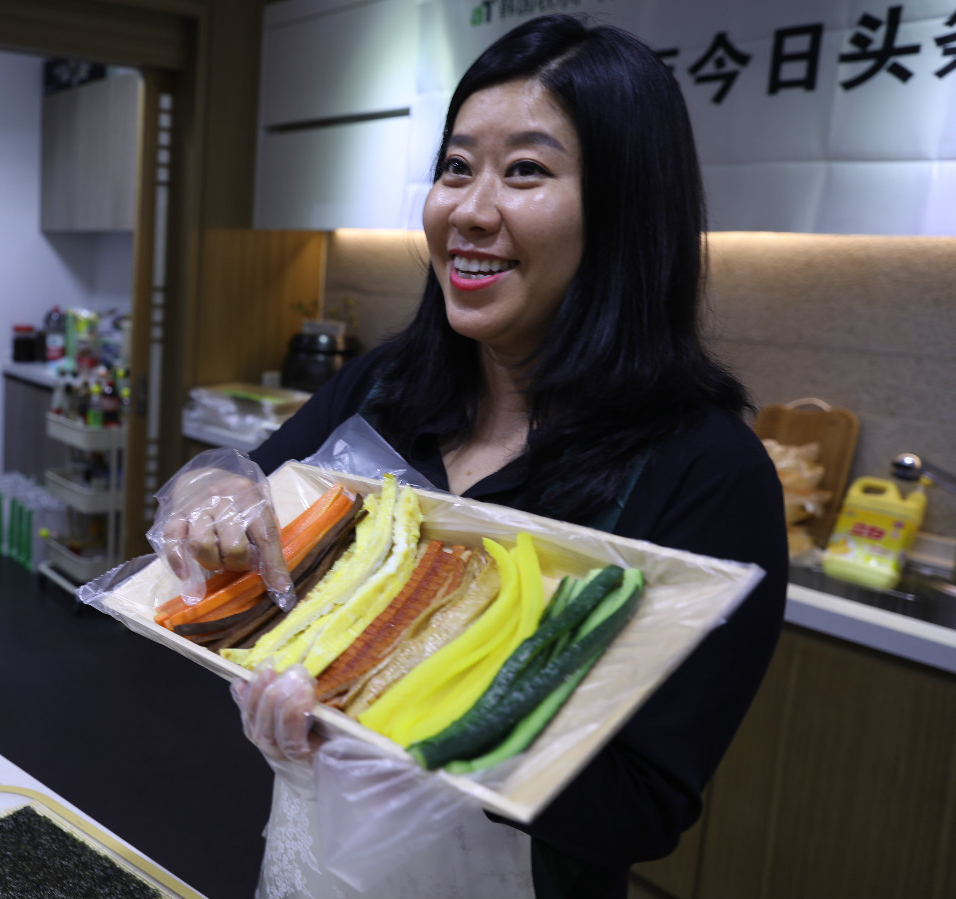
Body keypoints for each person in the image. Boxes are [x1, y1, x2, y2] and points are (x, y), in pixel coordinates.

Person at [159, 15, 787, 899]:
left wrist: (403, 700)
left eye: (525, 170)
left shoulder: (710, 472)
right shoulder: (387, 383)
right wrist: (215, 485)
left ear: (625, 209)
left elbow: (646, 805)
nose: (469, 210)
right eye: (456, 167)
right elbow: (255, 481)